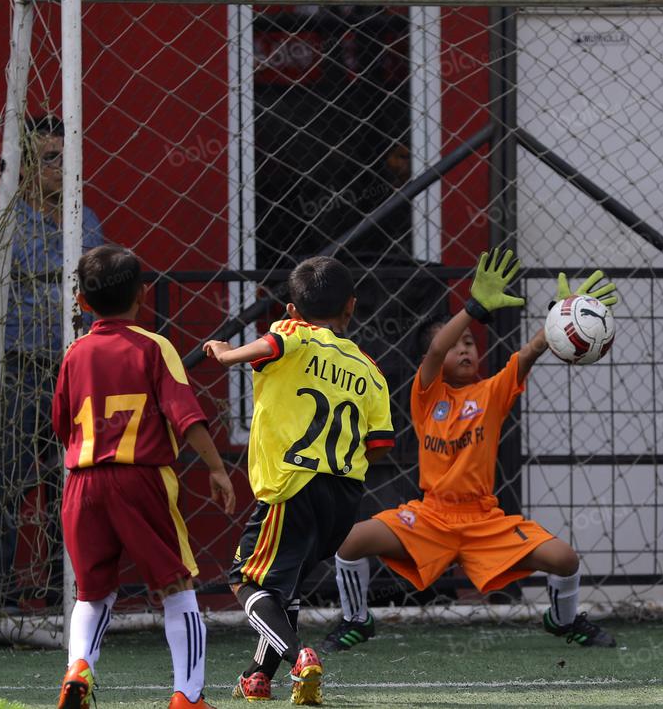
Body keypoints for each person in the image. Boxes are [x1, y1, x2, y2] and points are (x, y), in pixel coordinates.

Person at [318, 248, 618, 653]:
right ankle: (356, 619)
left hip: (482, 521)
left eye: (470, 344)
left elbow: (527, 353)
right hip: (430, 517)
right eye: (456, 344)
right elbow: (436, 350)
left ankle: (564, 621)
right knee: (349, 542)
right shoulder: (426, 395)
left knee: (566, 559)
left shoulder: (491, 393)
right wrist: (473, 308)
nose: (464, 350)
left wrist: (563, 316)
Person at [204, 256, 395, 705]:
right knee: (283, 587)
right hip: (345, 495)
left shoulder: (294, 333)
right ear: (350, 308)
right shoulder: (371, 369)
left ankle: (299, 656)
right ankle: (257, 676)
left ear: (291, 311)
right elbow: (380, 445)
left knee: (243, 580)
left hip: (293, 484)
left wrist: (226, 353)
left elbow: (270, 347)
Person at [52, 244, 236, 709]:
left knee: (92, 593)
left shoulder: (75, 353)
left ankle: (79, 669)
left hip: (82, 483)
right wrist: (217, 467)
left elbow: (60, 424)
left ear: (82, 301)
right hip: (141, 480)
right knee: (177, 586)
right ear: (143, 294)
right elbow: (186, 417)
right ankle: (188, 696)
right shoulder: (155, 347)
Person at [0, 114, 105, 609]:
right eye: (48, 159)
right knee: (3, 484)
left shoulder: (86, 223)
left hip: (74, 371)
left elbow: (102, 304)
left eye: (67, 160)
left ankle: (67, 592)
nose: (59, 168)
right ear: (22, 166)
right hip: (16, 371)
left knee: (70, 486)